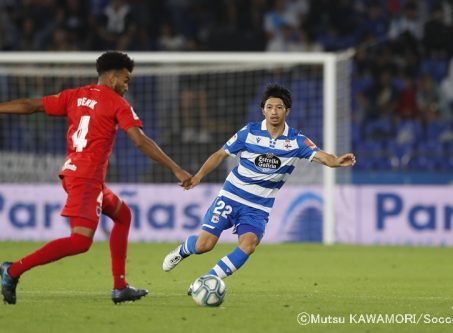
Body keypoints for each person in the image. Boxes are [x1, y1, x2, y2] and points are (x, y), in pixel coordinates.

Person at [0, 51, 191, 305]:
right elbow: (139, 141)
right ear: (112, 78)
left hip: (77, 173)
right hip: (86, 178)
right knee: (80, 241)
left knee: (123, 215)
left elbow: (30, 105)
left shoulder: (74, 95)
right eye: (125, 79)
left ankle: (120, 286)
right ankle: (12, 270)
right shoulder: (117, 103)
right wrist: (175, 169)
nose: (126, 85)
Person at [162, 83, 355, 289]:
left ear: (287, 111)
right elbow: (220, 154)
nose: (274, 112)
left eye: (279, 107)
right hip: (231, 196)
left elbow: (322, 156)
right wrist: (199, 175)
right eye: (270, 107)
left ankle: (207, 280)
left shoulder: (297, 141)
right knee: (204, 245)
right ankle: (183, 251)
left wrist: (336, 161)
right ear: (263, 109)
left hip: (258, 207)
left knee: (249, 244)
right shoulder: (249, 132)